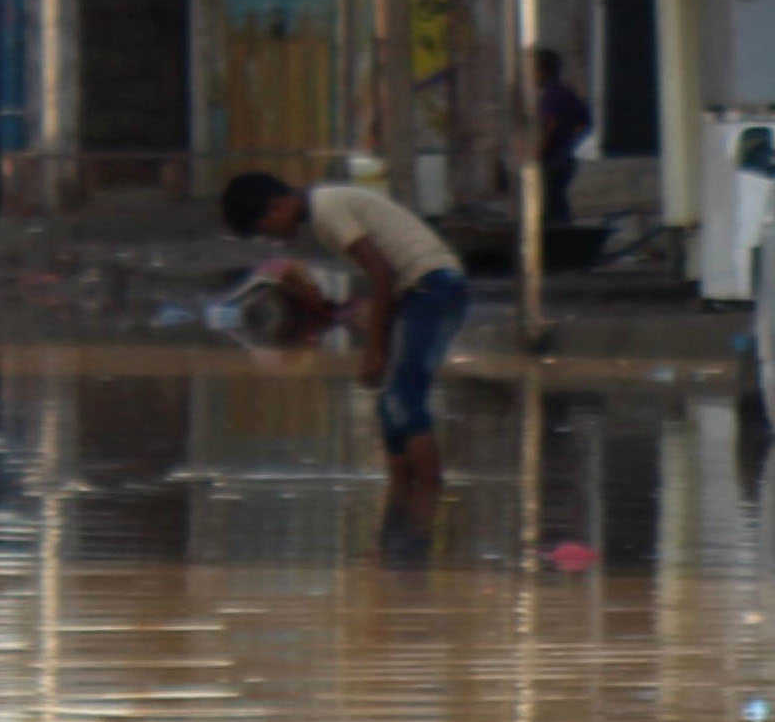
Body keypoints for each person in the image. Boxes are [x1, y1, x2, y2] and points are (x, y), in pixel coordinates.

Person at [219, 168, 470, 515]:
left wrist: (375, 349)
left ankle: (428, 503)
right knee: (390, 407)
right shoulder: (324, 209)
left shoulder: (326, 210)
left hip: (433, 288)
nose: (274, 240)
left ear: (277, 207)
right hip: (421, 291)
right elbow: (386, 275)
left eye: (267, 231)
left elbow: (383, 273)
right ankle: (400, 509)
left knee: (405, 400)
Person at [530, 48, 594, 231]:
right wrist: (572, 142)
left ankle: (557, 239)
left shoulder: (551, 95)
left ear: (542, 71)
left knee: (550, 202)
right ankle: (562, 235)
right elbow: (586, 121)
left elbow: (550, 126)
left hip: (553, 159)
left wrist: (537, 153)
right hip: (566, 158)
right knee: (556, 200)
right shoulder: (567, 92)